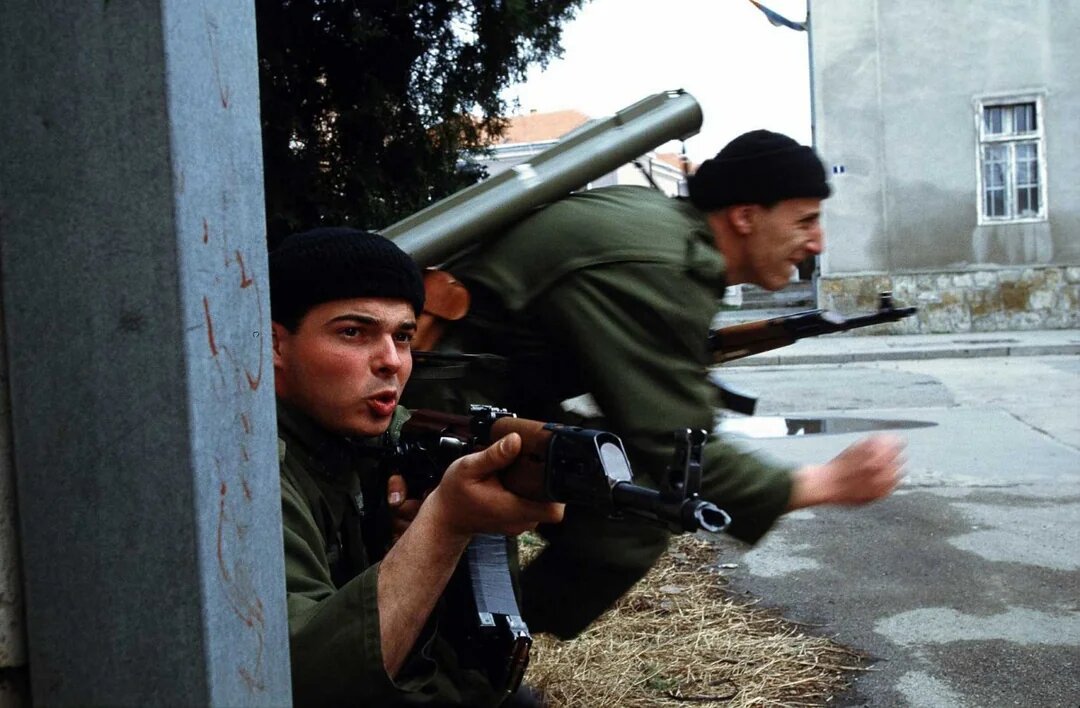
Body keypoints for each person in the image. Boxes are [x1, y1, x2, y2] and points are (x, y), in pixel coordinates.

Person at [403, 129, 905, 638]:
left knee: (612, 473)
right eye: (805, 220)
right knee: (638, 500)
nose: (818, 242)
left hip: (467, 389)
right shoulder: (657, 263)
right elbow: (675, 446)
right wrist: (822, 484)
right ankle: (468, 654)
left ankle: (476, 651)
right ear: (746, 216)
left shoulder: (661, 234)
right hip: (434, 402)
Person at [270, 227, 564, 706]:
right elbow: (306, 684)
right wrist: (444, 525)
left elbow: (468, 673)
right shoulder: (245, 471)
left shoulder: (401, 438)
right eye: (353, 332)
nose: (391, 361)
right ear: (276, 344)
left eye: (403, 336)